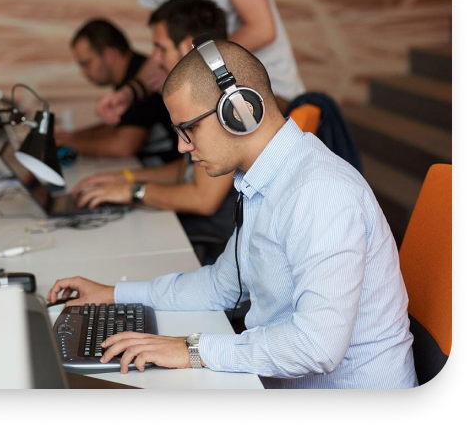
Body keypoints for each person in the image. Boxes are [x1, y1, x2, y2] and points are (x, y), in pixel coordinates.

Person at [47, 39, 418, 389]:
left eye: (188, 128)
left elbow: (316, 346)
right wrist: (115, 293)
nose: (181, 146)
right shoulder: (262, 181)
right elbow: (220, 286)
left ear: (240, 110)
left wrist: (192, 349)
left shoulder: (320, 193)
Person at [74, 0, 237, 246]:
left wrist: (134, 191)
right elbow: (188, 170)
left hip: (219, 234)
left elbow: (204, 199)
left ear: (186, 47)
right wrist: (126, 178)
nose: (155, 59)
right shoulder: (202, 91)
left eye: (160, 48)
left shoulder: (223, 102)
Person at [97, 0, 305, 123]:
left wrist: (193, 64)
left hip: (271, 96)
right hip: (217, 100)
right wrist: (129, 93)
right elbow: (166, 48)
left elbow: (262, 29)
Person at [59, 18, 181, 166]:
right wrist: (72, 137)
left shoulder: (141, 76)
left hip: (174, 171)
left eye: (86, 63)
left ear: (109, 54)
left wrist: (67, 145)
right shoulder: (131, 77)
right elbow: (118, 126)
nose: (83, 72)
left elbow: (124, 146)